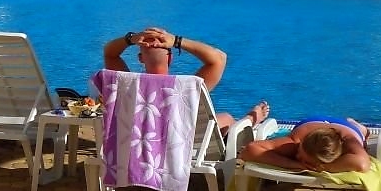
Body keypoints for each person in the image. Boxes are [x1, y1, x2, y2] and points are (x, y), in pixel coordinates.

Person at [100, 26, 268, 132]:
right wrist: (177, 41)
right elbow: (219, 58)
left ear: (140, 59)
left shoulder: (127, 84)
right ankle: (251, 119)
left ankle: (247, 120)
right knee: (227, 118)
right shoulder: (185, 88)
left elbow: (109, 53)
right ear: (170, 58)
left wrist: (131, 38)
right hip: (179, 148)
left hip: (141, 146)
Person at [240, 117, 372, 173]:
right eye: (299, 152)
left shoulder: (349, 141)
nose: (297, 156)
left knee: (362, 132)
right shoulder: (295, 141)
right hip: (312, 121)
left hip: (349, 128)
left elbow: (362, 164)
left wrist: (323, 168)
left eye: (304, 159)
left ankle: (358, 125)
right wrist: (294, 164)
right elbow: (249, 150)